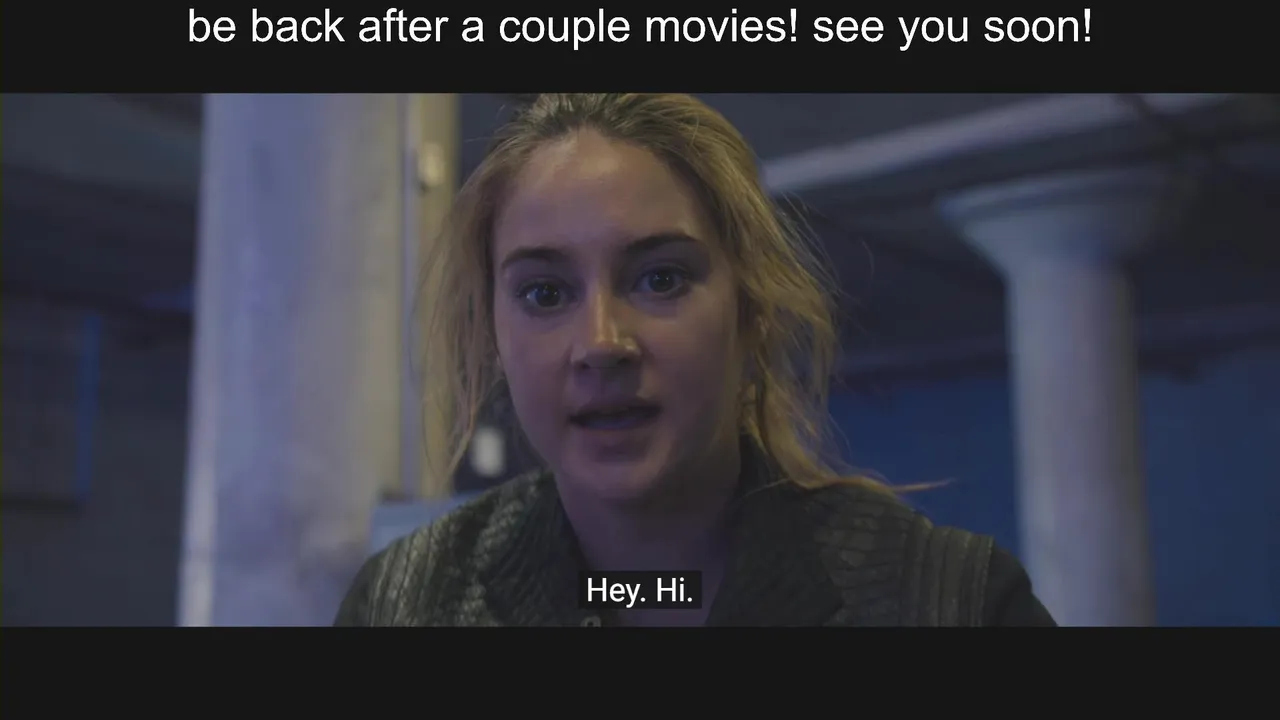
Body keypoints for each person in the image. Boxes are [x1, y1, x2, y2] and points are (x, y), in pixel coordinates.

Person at [335, 93, 1055, 627]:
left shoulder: (950, 602)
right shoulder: (408, 603)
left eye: (661, 279)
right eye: (545, 292)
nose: (601, 343)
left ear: (751, 312)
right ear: (494, 335)